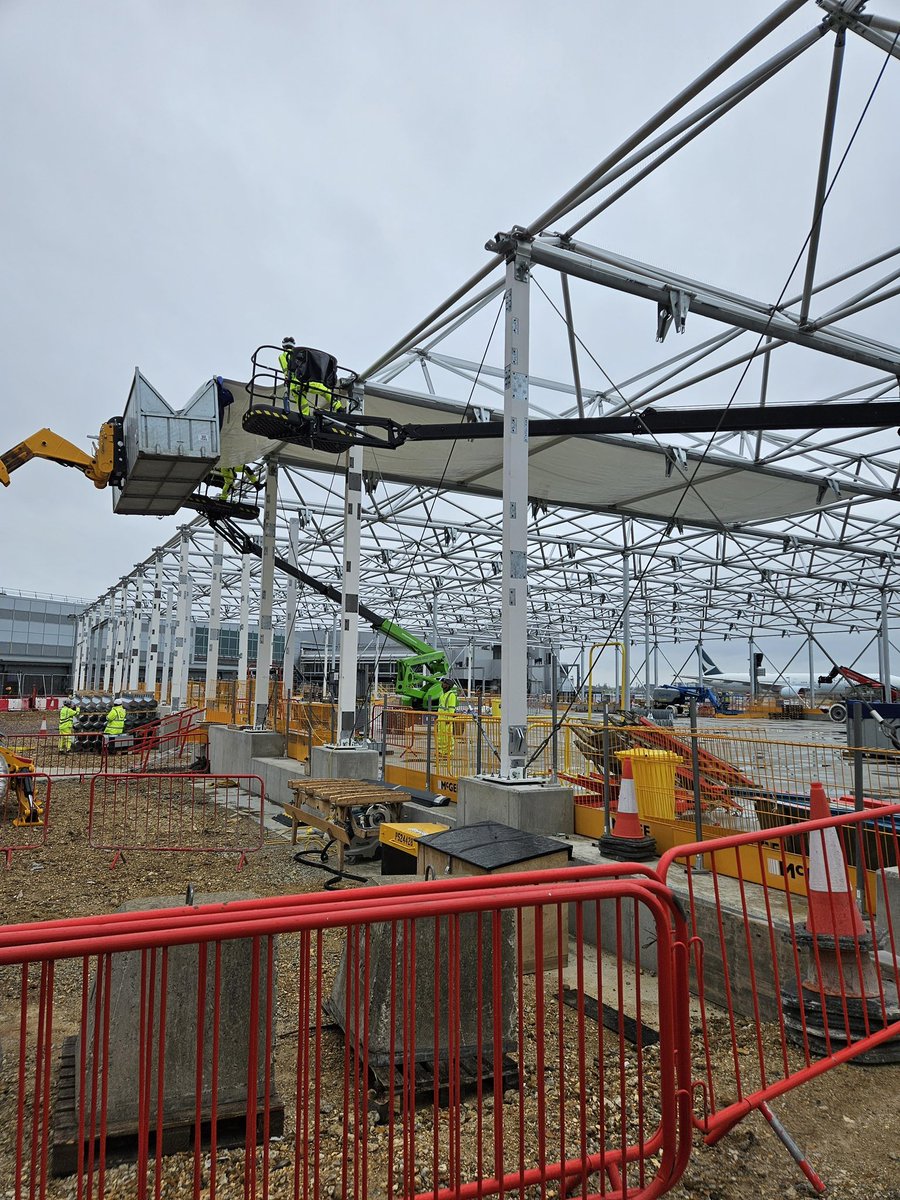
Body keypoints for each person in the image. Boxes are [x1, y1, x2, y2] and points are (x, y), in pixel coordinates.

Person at [278, 337, 342, 417]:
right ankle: (339, 408)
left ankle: (305, 417)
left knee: (302, 404)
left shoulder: (282, 356)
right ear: (293, 345)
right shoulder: (301, 353)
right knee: (325, 391)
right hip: (309, 381)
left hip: (295, 385)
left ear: (283, 346)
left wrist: (287, 378)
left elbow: (286, 371)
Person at [436, 677, 458, 763]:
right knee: (441, 735)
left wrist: (449, 718)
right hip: (440, 718)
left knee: (448, 736)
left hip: (447, 719)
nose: (442, 684)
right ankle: (441, 751)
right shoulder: (442, 695)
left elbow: (451, 708)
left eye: (444, 683)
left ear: (448, 686)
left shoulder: (451, 695)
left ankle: (448, 752)